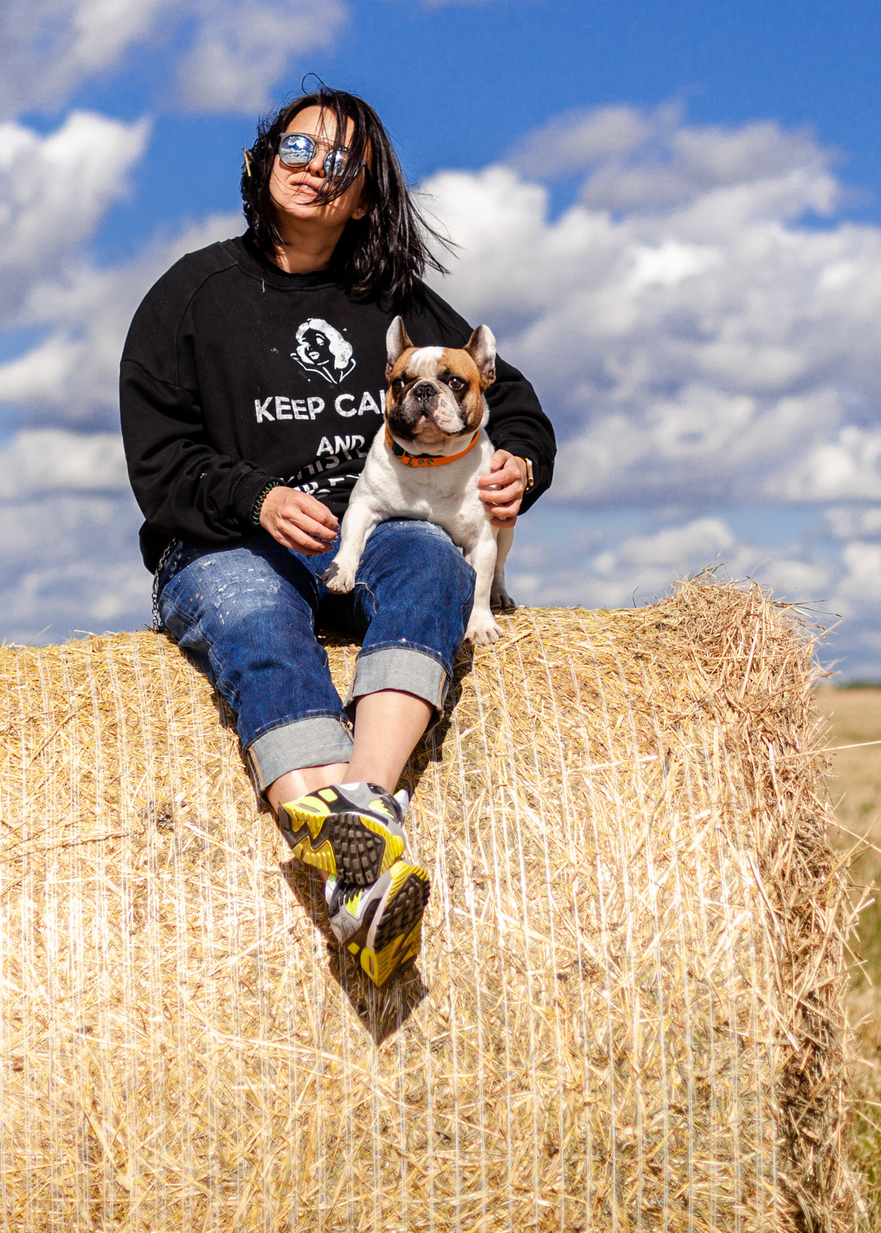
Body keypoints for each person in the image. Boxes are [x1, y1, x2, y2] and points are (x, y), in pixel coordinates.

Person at [119, 85, 558, 984]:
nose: (316, 169)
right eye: (299, 147)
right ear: (263, 158)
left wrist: (520, 461)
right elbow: (161, 463)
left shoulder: (395, 300)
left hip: (370, 534)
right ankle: (357, 856)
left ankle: (360, 811)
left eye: (342, 161)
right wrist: (256, 498)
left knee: (434, 561)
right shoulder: (189, 298)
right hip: (223, 544)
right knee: (251, 613)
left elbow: (507, 398)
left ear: (366, 194)